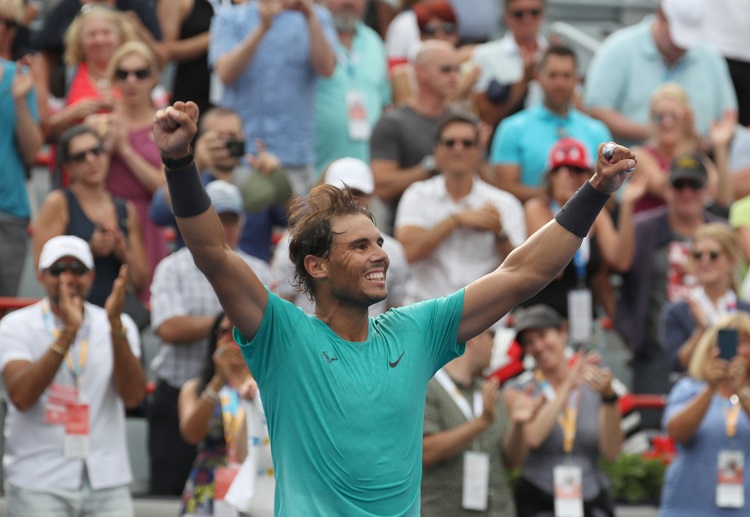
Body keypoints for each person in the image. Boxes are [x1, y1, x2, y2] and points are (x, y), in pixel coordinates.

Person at [152, 99, 634, 515]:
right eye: (359, 246)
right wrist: (179, 162)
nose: (380, 253)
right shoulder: (283, 335)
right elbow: (213, 253)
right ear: (316, 266)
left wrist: (595, 191)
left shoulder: (415, 330)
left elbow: (522, 274)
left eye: (378, 241)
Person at [0, 235, 147, 516]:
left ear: (91, 276)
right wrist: (69, 331)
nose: (67, 277)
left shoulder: (118, 322)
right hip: (39, 480)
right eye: (57, 270)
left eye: (77, 269)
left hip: (107, 478)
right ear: (40, 276)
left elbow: (134, 397)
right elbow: (20, 396)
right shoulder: (15, 325)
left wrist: (115, 326)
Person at [148, 179, 272, 496]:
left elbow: (272, 333)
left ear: (241, 223)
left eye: (230, 219)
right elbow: (169, 329)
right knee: (169, 493)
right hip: (182, 389)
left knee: (249, 494)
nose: (223, 226)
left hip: (247, 395)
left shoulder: (258, 270)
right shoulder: (171, 268)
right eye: (216, 218)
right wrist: (232, 323)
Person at [616, 153, 727, 403]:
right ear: (668, 189)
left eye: (695, 185)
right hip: (656, 352)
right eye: (679, 184)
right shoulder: (644, 227)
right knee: (652, 432)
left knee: (720, 425)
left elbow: (731, 296)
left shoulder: (722, 231)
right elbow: (617, 265)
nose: (687, 192)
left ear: (707, 190)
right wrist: (629, 329)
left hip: (715, 350)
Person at [394, 113, 525, 304]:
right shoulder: (417, 195)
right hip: (426, 313)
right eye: (450, 143)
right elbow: (407, 253)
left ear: (480, 150)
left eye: (467, 143)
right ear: (436, 150)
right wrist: (454, 221)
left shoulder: (504, 203)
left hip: (485, 316)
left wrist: (499, 232)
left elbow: (520, 270)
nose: (458, 149)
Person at [208, 0, 337, 195]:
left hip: (294, 157)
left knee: (295, 224)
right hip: (241, 159)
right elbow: (225, 72)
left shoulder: (317, 16)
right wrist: (262, 29)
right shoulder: (230, 17)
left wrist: (310, 16)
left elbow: (327, 68)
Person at [505, 304, 622, 516]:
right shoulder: (520, 389)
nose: (538, 346)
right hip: (539, 497)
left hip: (590, 496)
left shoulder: (593, 387)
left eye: (542, 335)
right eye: (529, 342)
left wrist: (609, 398)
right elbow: (532, 439)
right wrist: (568, 385)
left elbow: (612, 452)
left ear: (562, 332)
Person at [582, 0, 737, 148]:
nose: (683, 46)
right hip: (630, 167)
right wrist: (661, 133)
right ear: (661, 17)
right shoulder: (618, 49)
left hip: (696, 166)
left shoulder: (711, 57)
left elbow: (728, 118)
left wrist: (704, 143)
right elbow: (596, 110)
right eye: (679, 35)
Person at [521, 137, 646, 319]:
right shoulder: (536, 208)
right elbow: (552, 269)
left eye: (578, 170)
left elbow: (620, 261)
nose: (572, 177)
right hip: (542, 319)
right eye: (563, 171)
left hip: (583, 319)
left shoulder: (597, 213)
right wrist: (573, 205)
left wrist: (627, 205)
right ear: (551, 177)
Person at [421, 328, 540, 515]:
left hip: (499, 510)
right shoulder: (428, 386)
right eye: (491, 335)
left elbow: (512, 462)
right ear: (471, 337)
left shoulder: (490, 390)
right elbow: (425, 453)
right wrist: (480, 423)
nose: (494, 344)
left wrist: (518, 424)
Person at [271, 157, 410, 315]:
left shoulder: (393, 250)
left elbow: (395, 312)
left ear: (371, 196)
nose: (351, 201)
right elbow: (280, 310)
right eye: (342, 194)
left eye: (359, 194)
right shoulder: (293, 245)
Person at [32, 125, 150, 312]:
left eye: (96, 151)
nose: (91, 160)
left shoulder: (126, 209)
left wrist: (122, 251)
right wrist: (88, 249)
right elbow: (43, 267)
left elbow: (141, 281)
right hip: (70, 312)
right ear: (68, 167)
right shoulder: (58, 203)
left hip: (115, 316)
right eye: (80, 157)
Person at [149, 106, 290, 262]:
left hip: (253, 276)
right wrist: (193, 165)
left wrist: (278, 179)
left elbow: (297, 220)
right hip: (196, 276)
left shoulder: (258, 182)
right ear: (202, 139)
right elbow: (158, 213)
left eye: (232, 136)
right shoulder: (191, 180)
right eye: (219, 137)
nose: (226, 143)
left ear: (243, 138)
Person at [489, 45, 612, 203]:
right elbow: (504, 190)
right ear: (538, 77)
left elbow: (610, 199)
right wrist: (552, 193)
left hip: (588, 225)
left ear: (577, 80)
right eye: (553, 75)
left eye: (566, 76)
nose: (559, 83)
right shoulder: (512, 128)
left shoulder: (597, 131)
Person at [179, 312, 273, 517]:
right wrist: (219, 380)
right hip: (207, 488)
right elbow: (191, 434)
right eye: (223, 332)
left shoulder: (266, 389)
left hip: (253, 487)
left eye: (238, 333)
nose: (229, 340)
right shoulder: (195, 388)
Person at [660, 312, 750, 517]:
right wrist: (710, 389)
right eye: (730, 342)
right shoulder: (689, 389)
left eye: (744, 341)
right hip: (689, 507)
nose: (737, 350)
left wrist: (740, 393)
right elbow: (676, 432)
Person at [370, 39, 459, 234]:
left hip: (461, 229)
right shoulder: (392, 123)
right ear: (420, 72)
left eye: (457, 70)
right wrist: (431, 165)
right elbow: (382, 187)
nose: (454, 77)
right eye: (446, 69)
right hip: (409, 230)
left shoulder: (463, 121)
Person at [661, 223, 750, 378]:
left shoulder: (746, 310)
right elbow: (677, 363)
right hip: (694, 395)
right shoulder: (676, 311)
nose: (705, 260)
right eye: (698, 255)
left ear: (731, 260)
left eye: (713, 255)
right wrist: (700, 331)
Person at [631, 82, 735, 215]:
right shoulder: (639, 156)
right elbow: (666, 190)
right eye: (660, 117)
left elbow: (723, 198)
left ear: (685, 119)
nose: (667, 123)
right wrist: (687, 141)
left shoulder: (695, 158)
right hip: (650, 233)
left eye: (674, 116)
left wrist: (720, 147)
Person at [314, 0, 391, 177]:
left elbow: (385, 102)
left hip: (366, 178)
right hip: (317, 173)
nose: (349, 2)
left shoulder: (374, 41)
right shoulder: (310, 36)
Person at [0, 3, 43, 297]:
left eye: (9, 23)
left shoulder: (19, 76)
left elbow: (31, 152)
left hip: (8, 211)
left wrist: (19, 101)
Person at [472, 0, 547, 129]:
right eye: (519, 14)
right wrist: (524, 81)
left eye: (534, 13)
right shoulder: (485, 55)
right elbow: (487, 116)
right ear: (506, 17)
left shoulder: (555, 53)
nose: (527, 19)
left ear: (543, 15)